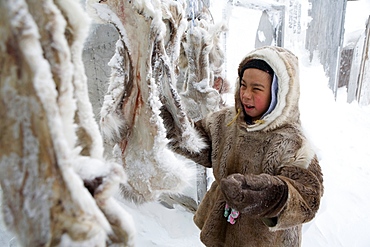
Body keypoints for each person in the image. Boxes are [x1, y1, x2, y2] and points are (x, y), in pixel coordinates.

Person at [163, 46, 324, 246]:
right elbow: (200, 144)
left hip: (264, 240)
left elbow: (307, 198)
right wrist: (168, 123)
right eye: (243, 85)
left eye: (256, 88)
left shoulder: (293, 142)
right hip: (221, 228)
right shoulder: (226, 121)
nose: (246, 95)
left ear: (279, 93)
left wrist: (267, 195)